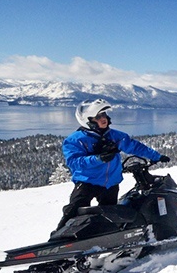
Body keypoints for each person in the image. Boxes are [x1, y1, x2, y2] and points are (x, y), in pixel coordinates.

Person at [55, 99, 169, 232]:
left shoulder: (115, 136)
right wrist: (99, 159)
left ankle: (106, 240)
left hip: (110, 184)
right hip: (87, 182)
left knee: (110, 216)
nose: (103, 119)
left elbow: (135, 146)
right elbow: (74, 162)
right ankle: (57, 242)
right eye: (98, 117)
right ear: (88, 120)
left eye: (104, 115)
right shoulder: (75, 140)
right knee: (73, 212)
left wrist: (157, 156)